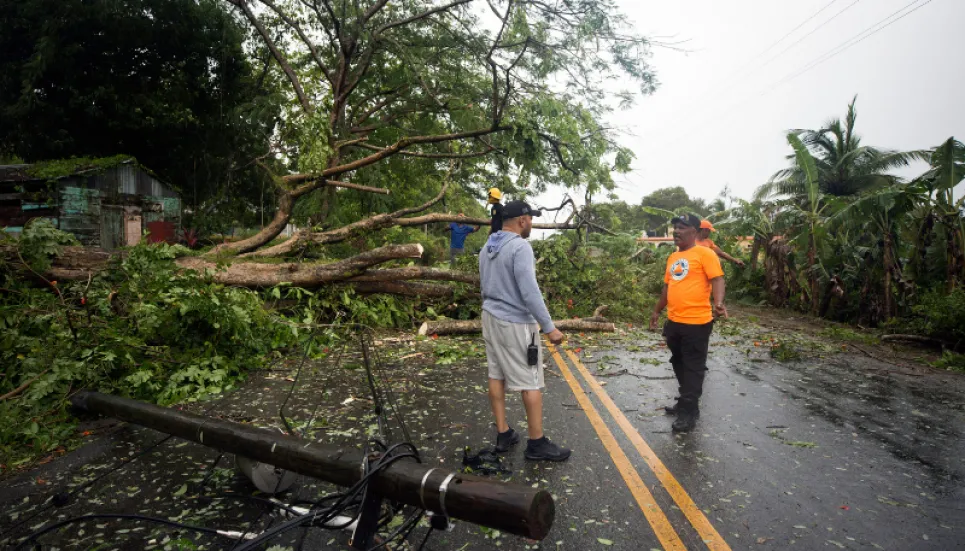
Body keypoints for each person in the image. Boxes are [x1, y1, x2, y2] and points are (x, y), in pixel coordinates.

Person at [479, 200, 570, 461]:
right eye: (530, 218)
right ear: (522, 220)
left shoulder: (488, 247)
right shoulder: (520, 247)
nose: (531, 223)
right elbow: (529, 292)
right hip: (515, 323)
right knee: (531, 380)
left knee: (496, 375)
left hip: (490, 317)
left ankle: (504, 433)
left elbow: (484, 287)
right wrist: (550, 328)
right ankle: (537, 444)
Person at [650, 214, 727, 433]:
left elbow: (717, 279)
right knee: (678, 361)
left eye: (682, 227)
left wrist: (719, 302)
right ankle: (685, 400)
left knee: (693, 367)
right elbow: (667, 288)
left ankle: (689, 412)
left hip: (697, 323)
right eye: (675, 227)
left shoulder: (705, 253)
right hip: (674, 321)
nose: (676, 231)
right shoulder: (673, 257)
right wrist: (656, 311)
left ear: (695, 231)